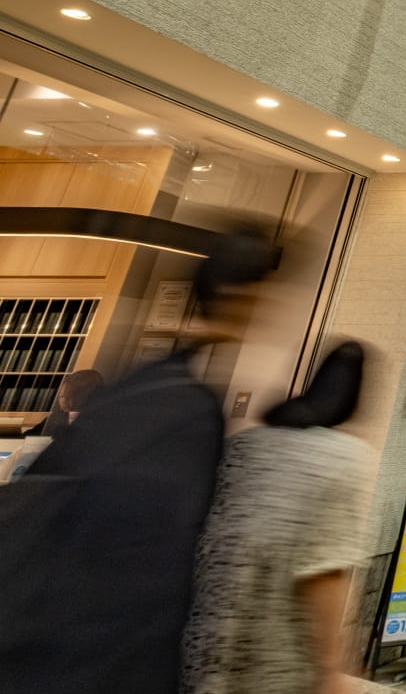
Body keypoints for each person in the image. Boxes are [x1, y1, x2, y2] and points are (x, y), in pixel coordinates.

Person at [0, 227, 278, 694]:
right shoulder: (187, 407)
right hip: (97, 649)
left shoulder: (135, 385)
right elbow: (147, 552)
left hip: (45, 630)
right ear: (240, 296)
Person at [180, 341, 376, 694]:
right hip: (274, 652)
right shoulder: (343, 458)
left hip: (201, 633)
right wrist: (332, 668)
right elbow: (324, 570)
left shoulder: (244, 444)